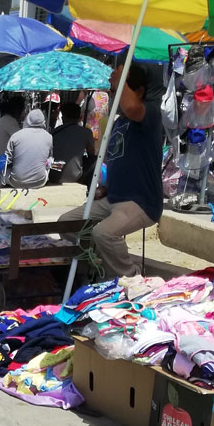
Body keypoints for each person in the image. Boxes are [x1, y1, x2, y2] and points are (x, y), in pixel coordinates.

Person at [59, 64, 161, 277]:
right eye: (113, 91)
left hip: (140, 202)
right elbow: (118, 160)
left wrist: (120, 79)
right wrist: (105, 187)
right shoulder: (118, 122)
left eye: (117, 91)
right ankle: (96, 263)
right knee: (66, 223)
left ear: (139, 91)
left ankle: (133, 276)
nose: (113, 96)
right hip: (113, 197)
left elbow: (132, 108)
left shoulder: (149, 113)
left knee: (104, 233)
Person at [4, 108, 53, 189]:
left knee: (1, 174)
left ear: (27, 120)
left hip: (16, 182)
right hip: (40, 182)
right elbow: (49, 160)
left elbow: (6, 160)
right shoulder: (49, 137)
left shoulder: (16, 136)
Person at [51, 102, 95, 184]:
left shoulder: (54, 132)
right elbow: (91, 153)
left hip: (54, 174)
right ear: (79, 117)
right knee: (93, 160)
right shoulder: (86, 132)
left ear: (63, 117)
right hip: (74, 175)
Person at [0, 96, 25, 160]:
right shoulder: (10, 121)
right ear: (18, 110)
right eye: (23, 110)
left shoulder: (5, 119)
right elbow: (22, 140)